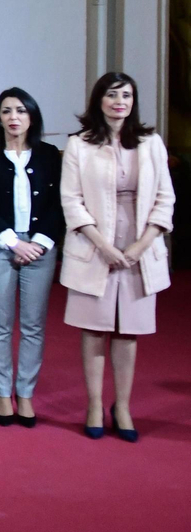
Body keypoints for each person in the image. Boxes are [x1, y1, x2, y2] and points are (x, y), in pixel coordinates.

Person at [60, 72, 175, 442]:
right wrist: (104, 247)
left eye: (126, 95)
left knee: (128, 333)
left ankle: (122, 405)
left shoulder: (150, 142)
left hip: (140, 246)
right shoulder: (79, 144)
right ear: (99, 100)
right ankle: (94, 403)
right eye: (112, 95)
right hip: (95, 246)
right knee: (94, 330)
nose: (119, 102)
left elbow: (165, 198)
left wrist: (140, 246)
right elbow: (71, 201)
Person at [0, 88, 62, 426]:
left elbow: (58, 205)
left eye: (21, 111)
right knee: (0, 324)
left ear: (32, 116)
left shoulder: (50, 155)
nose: (13, 117)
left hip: (41, 247)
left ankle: (25, 394)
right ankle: (1, 393)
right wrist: (13, 243)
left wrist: (37, 243)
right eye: (7, 111)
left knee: (34, 324)